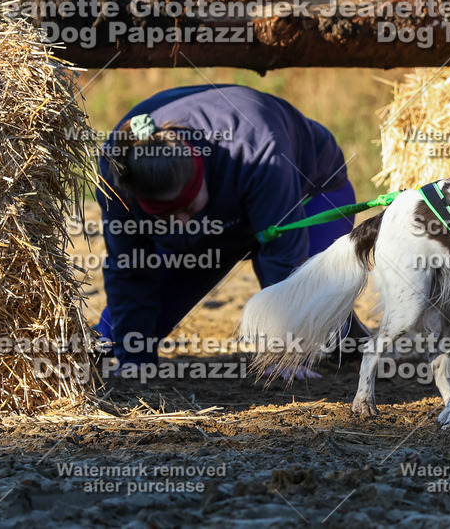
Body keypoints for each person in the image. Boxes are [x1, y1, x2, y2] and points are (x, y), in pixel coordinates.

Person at [94, 84, 367, 376]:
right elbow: (129, 269)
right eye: (168, 215)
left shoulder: (258, 150)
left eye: (188, 208)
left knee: (310, 293)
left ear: (199, 170)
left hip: (310, 192)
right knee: (121, 339)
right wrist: (134, 361)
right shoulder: (119, 173)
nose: (183, 222)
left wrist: (286, 351)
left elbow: (284, 255)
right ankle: (337, 327)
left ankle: (338, 328)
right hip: (225, 219)